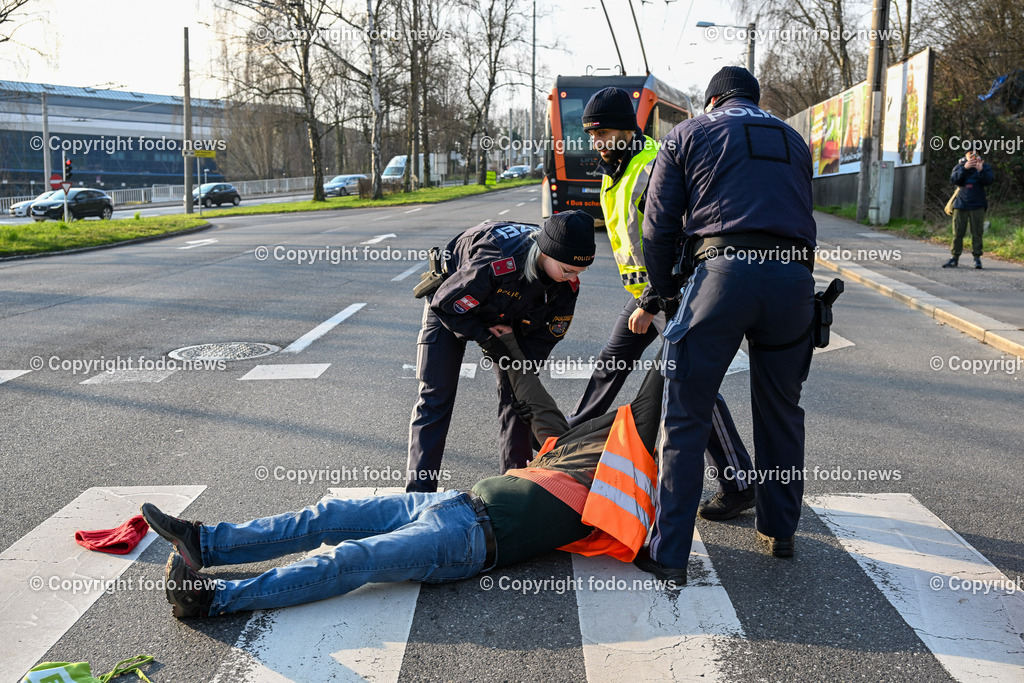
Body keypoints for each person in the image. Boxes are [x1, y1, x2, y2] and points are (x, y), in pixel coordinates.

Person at [142, 333, 672, 619]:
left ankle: (214, 600)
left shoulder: (619, 478)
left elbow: (652, 400)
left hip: (463, 542)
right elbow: (537, 402)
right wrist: (504, 343)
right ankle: (205, 543)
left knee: (351, 559)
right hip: (449, 504)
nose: (609, 426)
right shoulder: (567, 449)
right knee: (328, 516)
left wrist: (679, 321)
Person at [638, 66, 818, 580]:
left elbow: (658, 225)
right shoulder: (794, 139)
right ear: (756, 101)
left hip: (722, 274)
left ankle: (669, 552)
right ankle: (780, 531)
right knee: (782, 410)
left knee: (686, 415)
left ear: (712, 98)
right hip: (792, 281)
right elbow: (804, 219)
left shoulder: (688, 133)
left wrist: (665, 290)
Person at [570, 86, 756, 520]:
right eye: (591, 135)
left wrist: (653, 301)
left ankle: (740, 481)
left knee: (693, 386)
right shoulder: (613, 169)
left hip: (668, 295)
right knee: (609, 368)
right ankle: (569, 452)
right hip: (641, 293)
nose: (596, 142)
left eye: (603, 133)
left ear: (626, 129)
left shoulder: (652, 164)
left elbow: (673, 238)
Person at [406, 211, 595, 493]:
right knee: (436, 395)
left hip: (511, 313)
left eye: (579, 272)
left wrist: (523, 380)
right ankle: (418, 492)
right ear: (544, 252)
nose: (572, 277)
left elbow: (545, 337)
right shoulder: (498, 259)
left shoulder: (566, 283)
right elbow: (447, 305)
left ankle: (513, 491)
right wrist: (485, 338)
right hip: (454, 302)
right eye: (567, 270)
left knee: (517, 402)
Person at [943, 150, 994, 269]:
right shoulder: (960, 166)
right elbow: (954, 180)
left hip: (978, 204)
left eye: (975, 153)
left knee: (977, 233)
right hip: (961, 204)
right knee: (957, 232)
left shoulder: (984, 167)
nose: (972, 156)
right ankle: (954, 258)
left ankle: (977, 258)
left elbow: (989, 181)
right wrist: (965, 168)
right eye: (970, 153)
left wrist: (981, 171)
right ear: (966, 155)